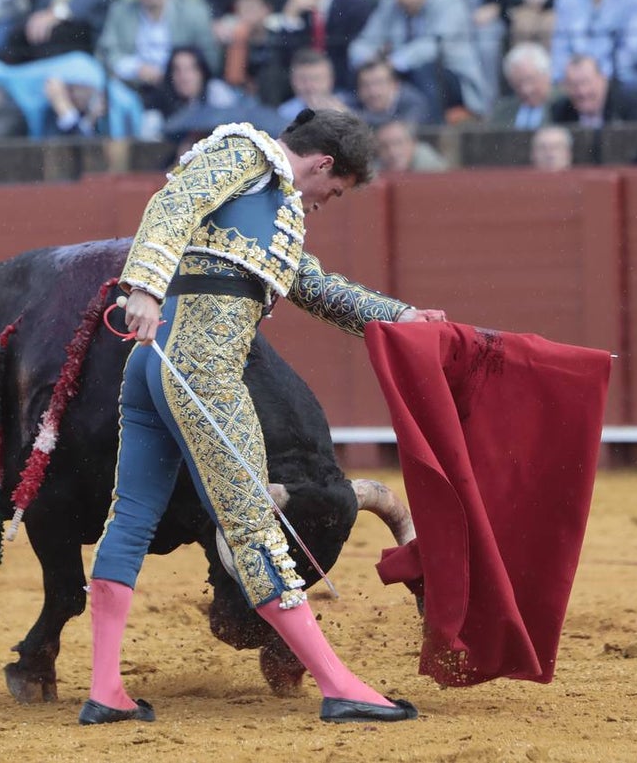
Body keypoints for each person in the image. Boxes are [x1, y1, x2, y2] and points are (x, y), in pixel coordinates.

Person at [82, 108, 446, 727]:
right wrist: (142, 286)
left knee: (133, 515)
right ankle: (338, 685)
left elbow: (309, 284)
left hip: (156, 366)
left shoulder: (273, 204)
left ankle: (105, 689)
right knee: (252, 525)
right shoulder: (246, 157)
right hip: (201, 366)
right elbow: (171, 206)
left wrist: (398, 316)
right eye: (335, 190)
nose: (328, 202)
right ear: (325, 163)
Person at [350, 0, 488, 122]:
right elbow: (364, 42)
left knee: (425, 70)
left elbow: (434, 47)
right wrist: (369, 60)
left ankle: (432, 131)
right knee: (368, 74)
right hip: (401, 72)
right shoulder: (390, 3)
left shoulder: (451, 3)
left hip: (453, 80)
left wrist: (391, 63)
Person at [97, 0, 219, 110]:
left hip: (181, 91)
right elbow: (107, 53)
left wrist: (176, 72)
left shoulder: (193, 13)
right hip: (136, 89)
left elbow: (210, 60)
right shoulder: (120, 13)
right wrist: (136, 68)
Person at [260, 0, 375, 101]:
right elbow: (280, 57)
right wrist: (290, 17)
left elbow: (354, 59)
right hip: (301, 89)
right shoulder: (288, 2)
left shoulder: (354, 6)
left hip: (343, 89)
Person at [437, 0, 519, 113]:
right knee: (450, 48)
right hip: (457, 14)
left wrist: (497, 7)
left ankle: (489, 106)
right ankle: (468, 105)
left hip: (490, 14)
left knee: (486, 45)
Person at [550, 52, 637, 126]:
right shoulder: (560, 112)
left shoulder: (627, 106)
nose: (582, 91)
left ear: (602, 80)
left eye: (586, 82)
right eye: (574, 85)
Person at [488, 41, 562, 128]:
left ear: (546, 75)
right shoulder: (502, 111)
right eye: (518, 83)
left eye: (531, 80)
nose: (526, 89)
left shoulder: (564, 106)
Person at [349, 56, 432, 127]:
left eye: (379, 83)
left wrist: (353, 118)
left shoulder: (414, 102)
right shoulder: (352, 101)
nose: (373, 92)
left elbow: (397, 132)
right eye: (365, 85)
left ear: (394, 85)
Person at [276, 47, 350, 120]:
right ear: (292, 80)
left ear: (331, 79)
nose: (309, 86)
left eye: (316, 79)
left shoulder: (350, 104)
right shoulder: (283, 113)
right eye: (302, 80)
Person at [374, 118, 450, 172]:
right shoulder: (374, 169)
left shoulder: (429, 165)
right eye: (384, 146)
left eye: (398, 143)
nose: (392, 152)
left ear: (413, 143)